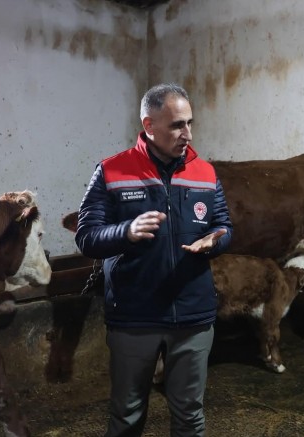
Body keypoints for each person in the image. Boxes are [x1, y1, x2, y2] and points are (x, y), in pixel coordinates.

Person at [74, 83, 232, 437]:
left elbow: (224, 225)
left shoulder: (205, 172)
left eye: (190, 123)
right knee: (127, 415)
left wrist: (215, 242)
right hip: (135, 316)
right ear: (149, 126)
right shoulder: (112, 171)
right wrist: (125, 232)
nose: (187, 134)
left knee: (190, 415)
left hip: (192, 316)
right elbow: (86, 236)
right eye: (177, 125)